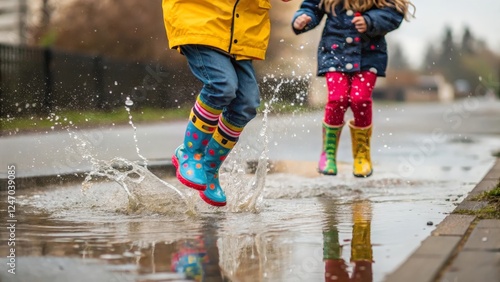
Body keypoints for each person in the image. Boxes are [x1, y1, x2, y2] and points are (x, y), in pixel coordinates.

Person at [162, 0, 292, 207]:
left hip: (240, 31)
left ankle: (209, 168)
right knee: (221, 85)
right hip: (201, 19)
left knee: (246, 105)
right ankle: (190, 152)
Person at [292, 0, 415, 177]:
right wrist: (303, 18)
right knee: (337, 99)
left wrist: (371, 21)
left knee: (360, 100)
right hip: (335, 53)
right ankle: (328, 154)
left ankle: (362, 155)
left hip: (369, 56)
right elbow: (311, 7)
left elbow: (394, 14)